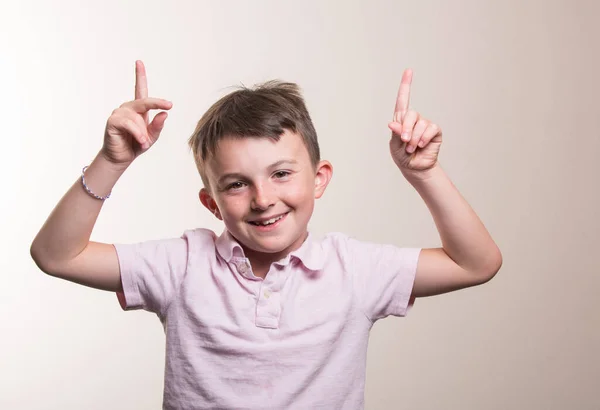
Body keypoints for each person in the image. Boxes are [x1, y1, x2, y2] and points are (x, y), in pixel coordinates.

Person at [30, 60, 502, 409]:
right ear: (211, 202)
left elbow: (476, 263)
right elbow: (57, 256)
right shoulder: (183, 264)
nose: (262, 199)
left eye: (281, 174)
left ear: (319, 179)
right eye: (237, 184)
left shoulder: (354, 270)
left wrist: (424, 173)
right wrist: (112, 162)